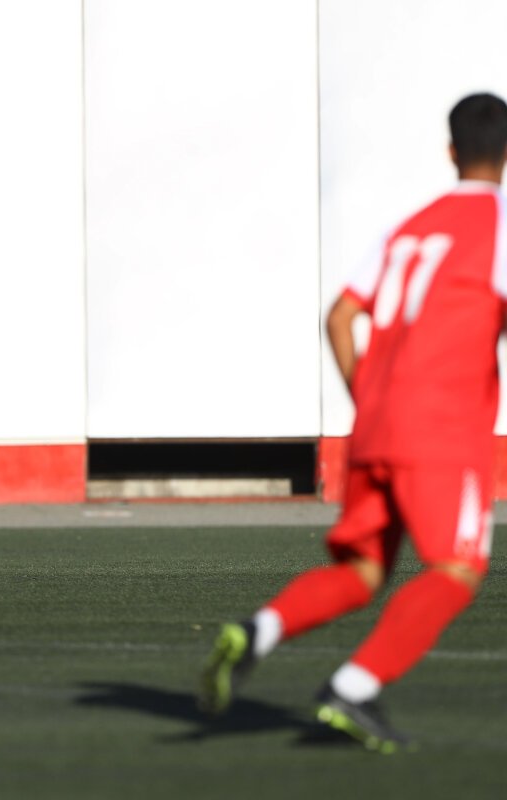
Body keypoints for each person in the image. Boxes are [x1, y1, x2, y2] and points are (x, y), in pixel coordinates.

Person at [199, 92, 507, 753]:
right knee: (457, 569)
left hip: (376, 423)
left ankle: (258, 631)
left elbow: (341, 315)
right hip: (442, 428)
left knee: (364, 571)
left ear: (451, 151)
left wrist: (368, 400)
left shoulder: (410, 228)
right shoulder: (499, 225)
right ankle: (353, 687)